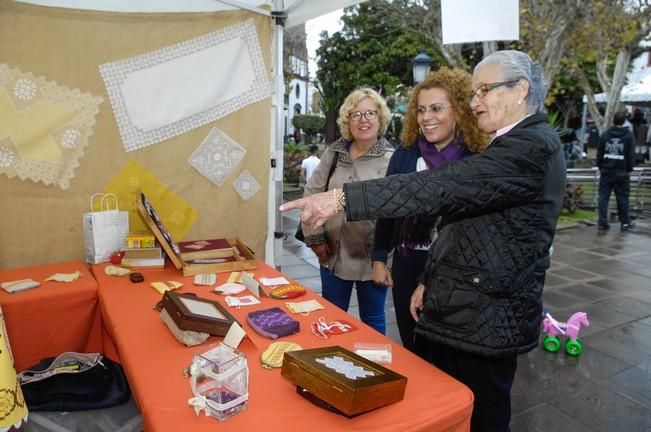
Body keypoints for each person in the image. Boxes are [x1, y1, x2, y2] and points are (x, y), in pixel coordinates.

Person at [281, 50, 565, 432]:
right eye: (473, 91)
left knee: (482, 414)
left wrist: (341, 197)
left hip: (489, 316)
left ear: (520, 89)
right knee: (443, 399)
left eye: (484, 89)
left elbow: (445, 187)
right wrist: (430, 279)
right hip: (464, 307)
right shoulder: (509, 142)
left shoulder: (532, 146)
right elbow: (462, 227)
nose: (475, 100)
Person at [372, 67, 488, 353]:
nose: (426, 117)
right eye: (421, 110)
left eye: (436, 108)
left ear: (459, 111)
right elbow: (389, 207)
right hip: (408, 262)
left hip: (454, 270)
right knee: (412, 348)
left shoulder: (476, 159)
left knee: (446, 352)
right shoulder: (406, 153)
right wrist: (378, 257)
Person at [300, 87, 394, 334]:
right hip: (331, 254)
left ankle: (377, 368)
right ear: (347, 121)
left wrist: (384, 258)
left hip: (372, 258)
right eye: (356, 114)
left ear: (380, 118)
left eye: (370, 113)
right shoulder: (334, 153)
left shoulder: (392, 159)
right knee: (330, 319)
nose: (363, 120)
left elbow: (398, 212)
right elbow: (311, 195)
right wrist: (315, 240)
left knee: (373, 321)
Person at [596, 111, 636, 231]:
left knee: (603, 197)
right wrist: (629, 168)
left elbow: (600, 152)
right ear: (624, 121)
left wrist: (600, 165)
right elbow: (630, 154)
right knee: (622, 198)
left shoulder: (605, 135)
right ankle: (625, 222)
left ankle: (602, 222)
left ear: (613, 120)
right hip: (621, 171)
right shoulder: (629, 136)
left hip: (607, 170)